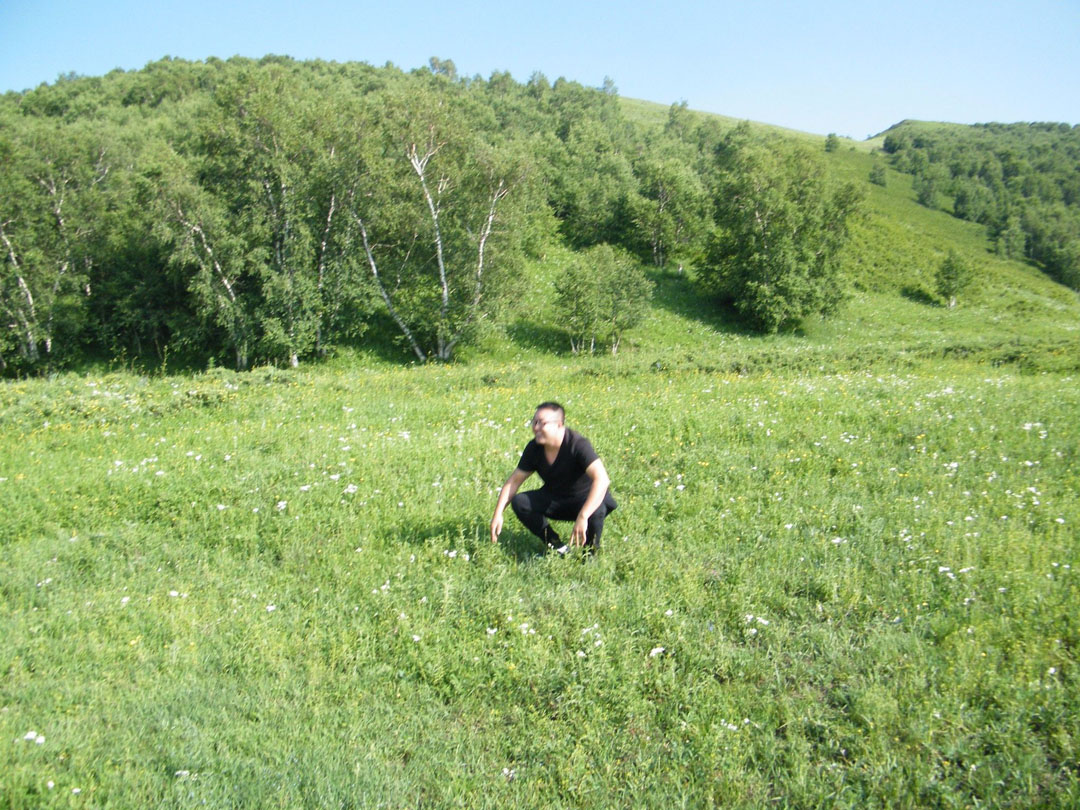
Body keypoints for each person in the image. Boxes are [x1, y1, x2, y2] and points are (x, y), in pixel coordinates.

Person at [490, 401, 616, 554]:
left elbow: (602, 479)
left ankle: (589, 554)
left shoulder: (577, 444)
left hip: (585, 501)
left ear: (559, 425)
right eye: (534, 422)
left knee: (597, 509)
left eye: (542, 423)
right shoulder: (535, 448)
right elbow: (514, 482)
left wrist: (583, 516)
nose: (536, 427)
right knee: (520, 502)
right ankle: (557, 546)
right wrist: (498, 514)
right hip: (556, 500)